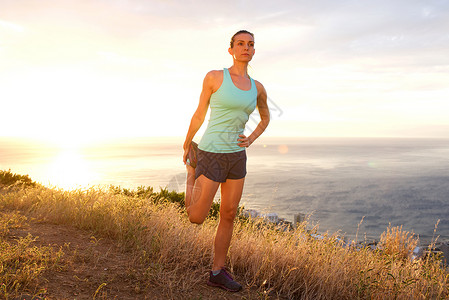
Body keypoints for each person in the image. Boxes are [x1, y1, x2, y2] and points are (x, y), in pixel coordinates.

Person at [182, 30, 270, 292]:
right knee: (196, 217)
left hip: (236, 157)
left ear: (254, 51)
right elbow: (199, 113)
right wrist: (188, 144)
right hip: (211, 153)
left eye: (250, 44)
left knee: (229, 214)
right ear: (231, 49)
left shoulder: (258, 88)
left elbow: (265, 119)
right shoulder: (215, 77)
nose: (246, 48)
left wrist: (250, 139)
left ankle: (217, 272)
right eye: (240, 44)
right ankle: (191, 173)